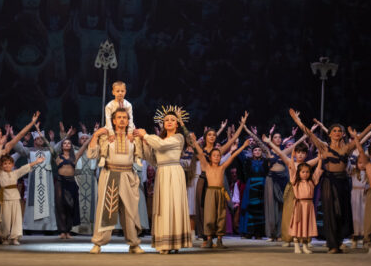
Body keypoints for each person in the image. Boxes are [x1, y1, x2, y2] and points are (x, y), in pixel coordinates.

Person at [290, 106, 371, 253]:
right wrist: (297, 121)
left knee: (342, 213)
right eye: (334, 130)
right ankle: (332, 245)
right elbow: (309, 133)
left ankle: (338, 242)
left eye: (339, 130)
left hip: (343, 182)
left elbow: (362, 137)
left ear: (343, 134)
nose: (337, 132)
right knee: (330, 213)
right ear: (329, 134)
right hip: (328, 182)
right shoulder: (323, 147)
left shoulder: (347, 148)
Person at [87, 109, 147, 253]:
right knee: (107, 210)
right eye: (119, 117)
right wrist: (95, 135)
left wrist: (144, 136)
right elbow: (92, 154)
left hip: (128, 175)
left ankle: (134, 244)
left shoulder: (134, 138)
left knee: (129, 211)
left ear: (128, 121)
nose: (122, 120)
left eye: (124, 117)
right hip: (110, 174)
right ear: (113, 121)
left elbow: (145, 154)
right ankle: (98, 243)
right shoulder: (106, 137)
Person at [135, 105, 193, 254]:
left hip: (174, 172)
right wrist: (144, 143)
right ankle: (165, 242)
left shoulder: (178, 138)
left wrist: (146, 136)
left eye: (172, 120)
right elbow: (153, 160)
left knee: (173, 206)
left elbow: (161, 145)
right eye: (166, 120)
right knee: (163, 207)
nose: (169, 122)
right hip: (162, 173)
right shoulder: (160, 139)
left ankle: (174, 242)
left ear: (177, 124)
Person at [189, 125, 251, 249]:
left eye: (214, 135)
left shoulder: (219, 155)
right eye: (209, 135)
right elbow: (196, 147)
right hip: (204, 181)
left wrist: (242, 127)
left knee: (220, 214)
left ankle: (218, 239)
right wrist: (193, 139)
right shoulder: (204, 157)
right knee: (204, 211)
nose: (212, 137)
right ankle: (206, 238)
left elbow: (232, 150)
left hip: (217, 186)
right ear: (205, 137)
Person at [0, 152, 43, 245]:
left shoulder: (15, 173)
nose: (7, 165)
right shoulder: (0, 173)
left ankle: (15, 237)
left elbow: (24, 168)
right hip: (5, 199)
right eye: (5, 163)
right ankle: (5, 237)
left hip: (15, 198)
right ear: (1, 165)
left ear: (12, 165)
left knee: (16, 219)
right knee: (5, 219)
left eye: (9, 163)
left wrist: (36, 162)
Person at [287, 158, 325, 253]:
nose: (305, 174)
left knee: (306, 225)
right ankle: (296, 245)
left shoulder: (311, 182)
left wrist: (320, 160)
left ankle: (304, 246)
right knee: (298, 225)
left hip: (308, 206)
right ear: (299, 173)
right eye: (303, 172)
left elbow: (317, 171)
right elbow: (292, 169)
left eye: (307, 172)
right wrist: (292, 156)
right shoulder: (295, 181)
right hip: (299, 205)